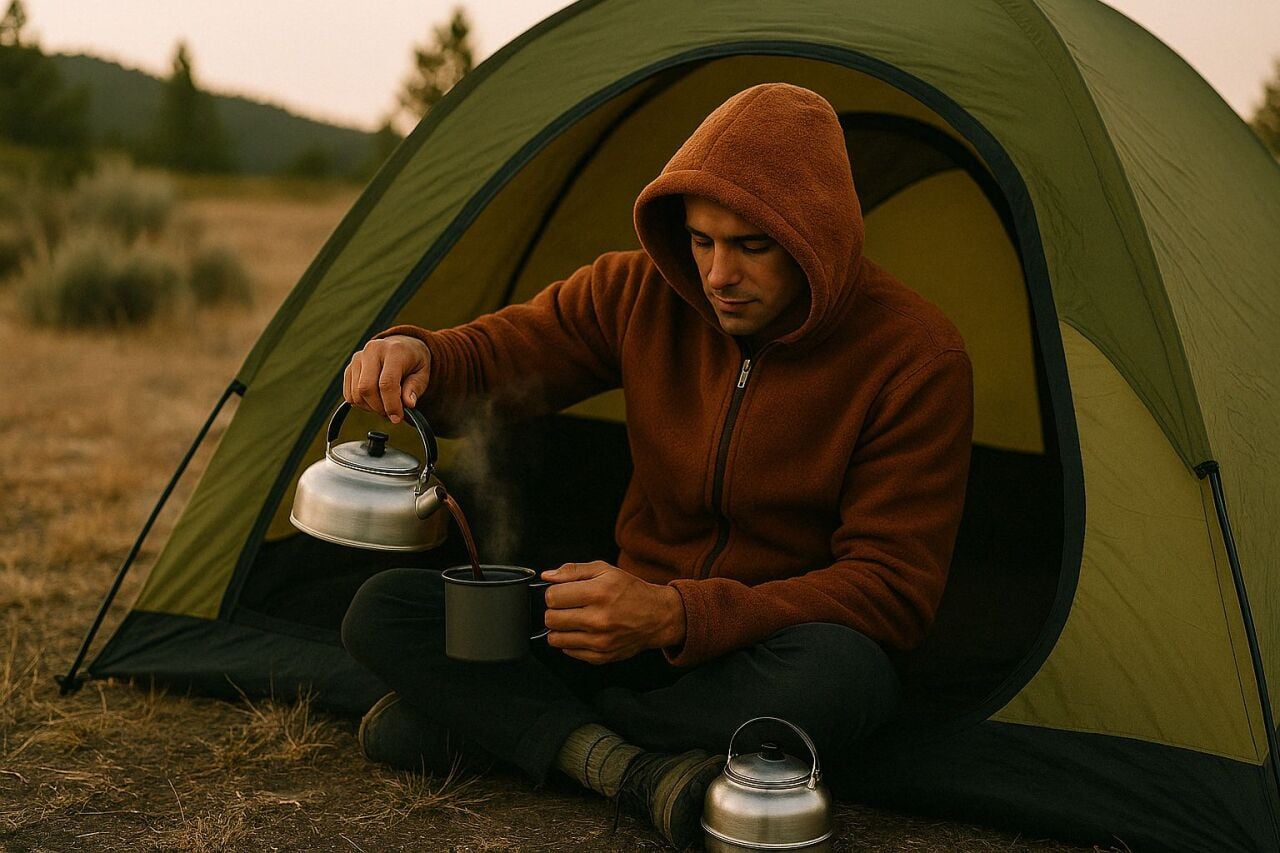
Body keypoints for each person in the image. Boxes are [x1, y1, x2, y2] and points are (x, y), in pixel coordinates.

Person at [340, 82, 973, 848]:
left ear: (817, 237)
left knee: (851, 678)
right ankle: (628, 767)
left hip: (761, 650)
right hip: (617, 637)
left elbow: (891, 589)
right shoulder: (639, 290)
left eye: (750, 246)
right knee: (386, 609)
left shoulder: (915, 358)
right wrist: (425, 355)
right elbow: (509, 351)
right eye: (702, 240)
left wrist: (676, 613)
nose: (717, 275)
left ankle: (513, 725)